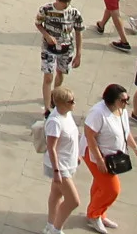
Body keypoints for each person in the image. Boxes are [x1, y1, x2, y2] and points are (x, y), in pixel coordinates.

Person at [81, 81, 131, 232]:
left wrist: (135, 149)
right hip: (95, 155)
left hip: (111, 156)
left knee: (100, 185)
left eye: (127, 100)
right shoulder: (98, 113)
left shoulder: (121, 110)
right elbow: (90, 136)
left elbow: (125, 131)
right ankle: (93, 214)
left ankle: (99, 213)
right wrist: (99, 160)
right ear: (112, 99)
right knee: (112, 189)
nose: (126, 103)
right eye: (123, 100)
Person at [35, 89, 85, 234]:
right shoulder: (55, 122)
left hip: (68, 162)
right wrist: (57, 171)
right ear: (61, 104)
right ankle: (57, 229)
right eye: (71, 101)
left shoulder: (67, 114)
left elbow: (71, 137)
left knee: (56, 194)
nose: (74, 103)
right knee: (73, 201)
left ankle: (50, 226)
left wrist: (76, 155)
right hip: (59, 166)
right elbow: (52, 147)